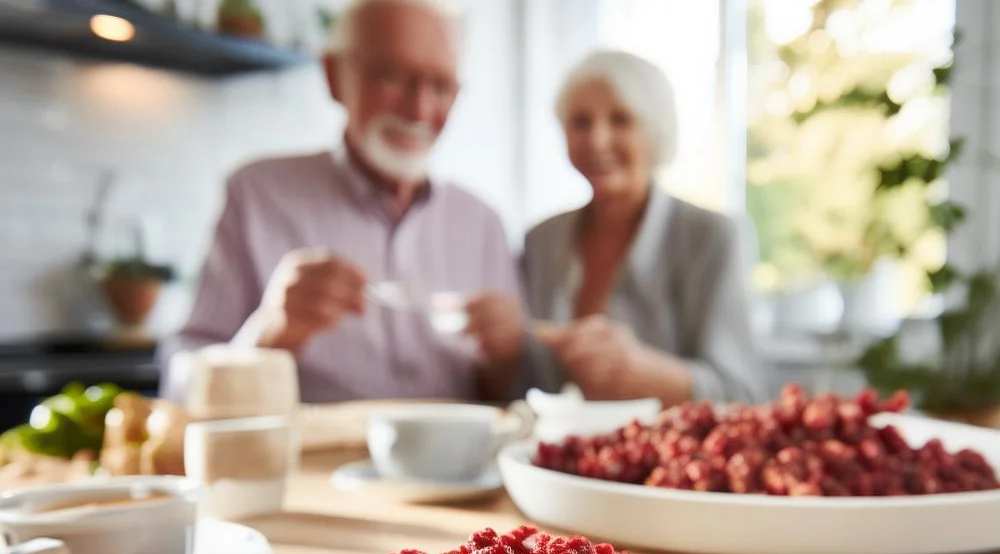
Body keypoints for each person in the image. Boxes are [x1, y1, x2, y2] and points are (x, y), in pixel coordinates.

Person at [158, 0, 526, 404]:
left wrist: (510, 358)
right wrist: (269, 332)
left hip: (463, 467)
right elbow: (178, 385)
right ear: (334, 77)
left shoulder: (483, 223)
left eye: (440, 86)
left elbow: (514, 399)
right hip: (309, 466)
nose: (419, 109)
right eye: (392, 76)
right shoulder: (257, 195)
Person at [518, 50, 767, 405]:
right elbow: (526, 384)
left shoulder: (712, 236)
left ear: (656, 130)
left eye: (620, 120)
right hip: (549, 454)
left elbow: (744, 395)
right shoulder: (540, 241)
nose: (597, 140)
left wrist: (649, 375)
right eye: (580, 122)